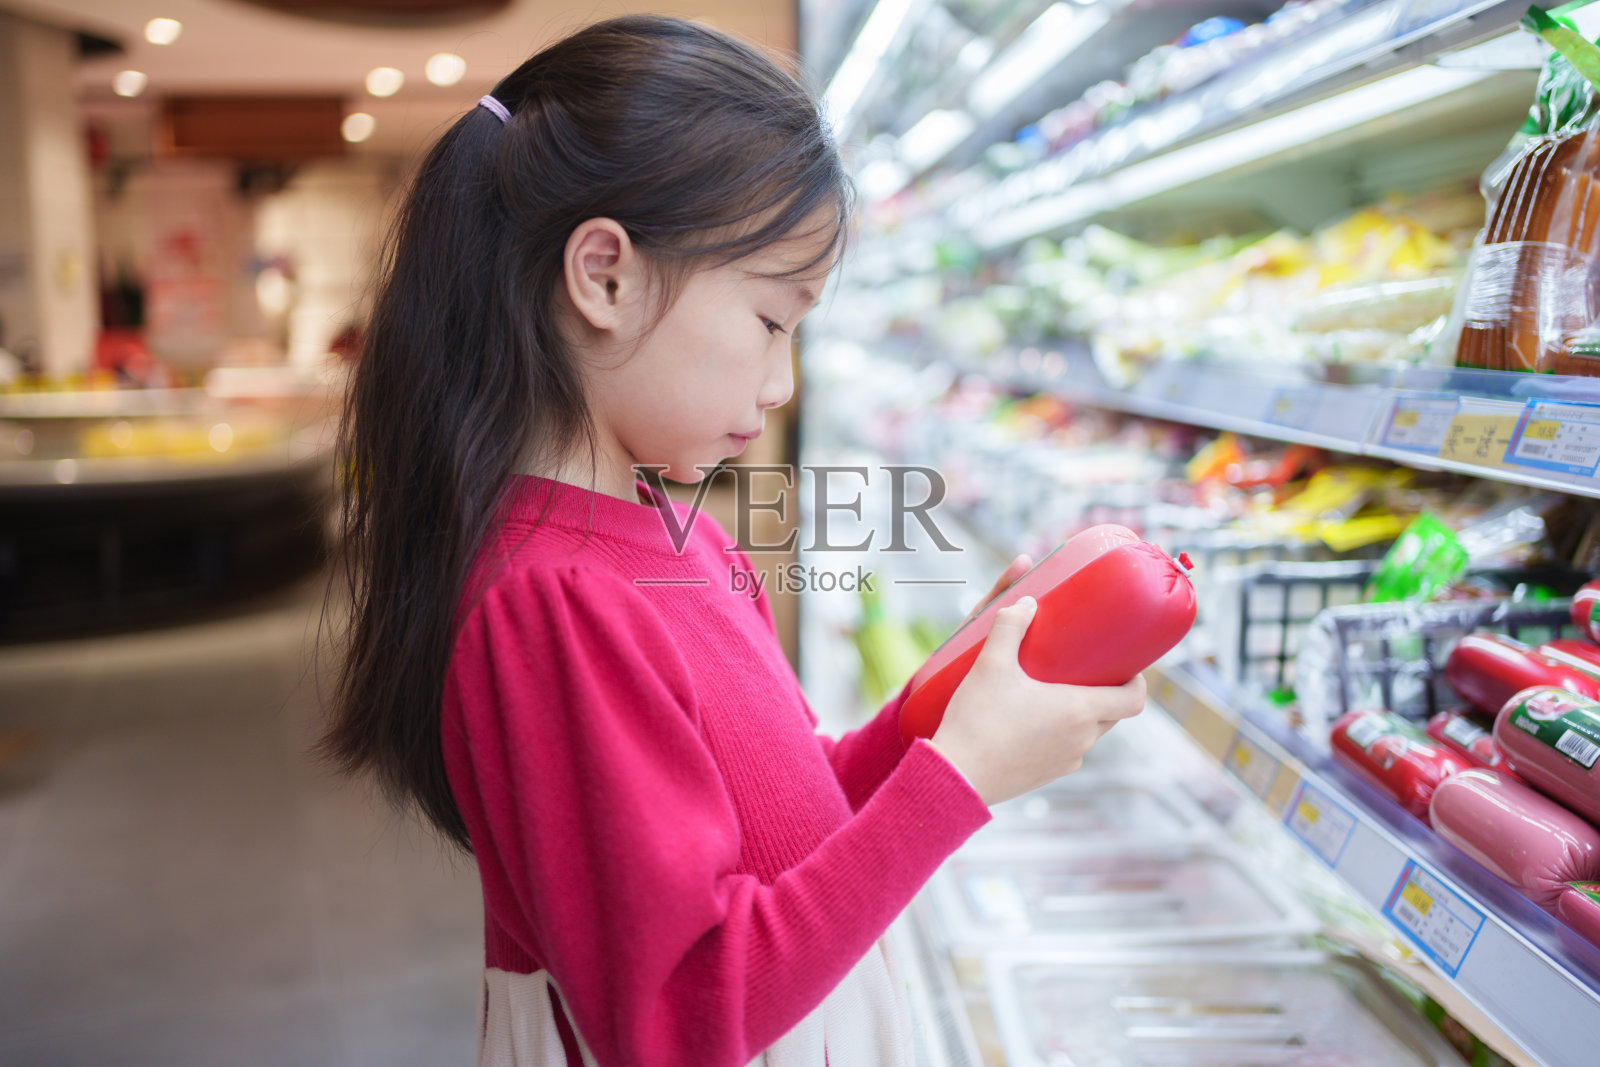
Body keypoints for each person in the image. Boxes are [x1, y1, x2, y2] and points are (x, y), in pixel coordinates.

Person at [320, 14, 1146, 1067]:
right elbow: (675, 1011)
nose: (783, 381)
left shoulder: (682, 540)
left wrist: (948, 702)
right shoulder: (554, 601)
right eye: (771, 319)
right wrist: (961, 780)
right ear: (604, 276)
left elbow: (795, 821)